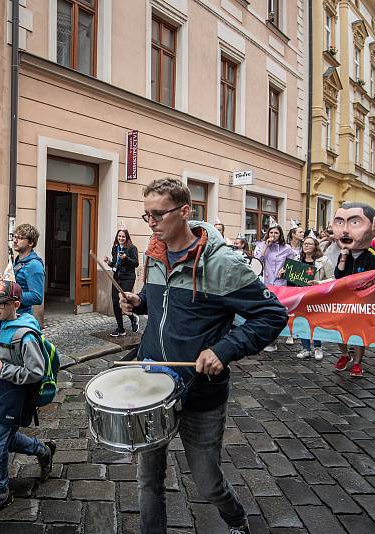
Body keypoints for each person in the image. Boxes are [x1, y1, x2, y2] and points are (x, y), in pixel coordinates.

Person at [119, 177, 287, 534]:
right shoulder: (154, 252)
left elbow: (272, 315)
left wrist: (224, 350)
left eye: (158, 215)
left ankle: (236, 518)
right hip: (151, 384)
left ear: (185, 211)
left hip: (200, 392)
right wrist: (140, 302)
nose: (151, 223)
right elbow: (162, 303)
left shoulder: (223, 264)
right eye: (146, 215)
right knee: (147, 481)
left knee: (208, 482)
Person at [0, 280, 56, 518]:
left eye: (1, 305)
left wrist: (1, 371)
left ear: (16, 304)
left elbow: (35, 372)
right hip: (1, 390)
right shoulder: (1, 325)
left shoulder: (25, 335)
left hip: (17, 397)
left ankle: (0, 492)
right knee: (7, 440)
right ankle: (43, 451)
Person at [333, 203, 375, 378]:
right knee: (338, 331)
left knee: (359, 333)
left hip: (361, 303)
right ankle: (345, 354)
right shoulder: (342, 254)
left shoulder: (371, 257)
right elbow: (338, 275)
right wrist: (344, 257)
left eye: (354, 223)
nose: (345, 230)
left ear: (373, 226)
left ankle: (357, 363)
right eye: (340, 223)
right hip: (343, 301)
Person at [254, 225, 296, 352]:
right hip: (267, 283)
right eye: (271, 232)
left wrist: (285, 269)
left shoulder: (287, 248)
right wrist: (266, 246)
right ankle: (270, 340)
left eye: (276, 233)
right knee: (268, 311)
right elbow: (257, 261)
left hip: (281, 284)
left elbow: (293, 264)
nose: (273, 235)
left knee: (280, 311)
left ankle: (285, 335)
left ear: (280, 234)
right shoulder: (262, 245)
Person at [294, 236, 330, 361]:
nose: (306, 245)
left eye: (310, 244)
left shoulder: (323, 260)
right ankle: (305, 348)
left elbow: (333, 278)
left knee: (315, 321)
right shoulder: (297, 260)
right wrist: (284, 272)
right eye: (305, 243)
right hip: (301, 296)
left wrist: (319, 283)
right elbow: (292, 277)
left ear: (315, 246)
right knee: (302, 321)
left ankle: (317, 347)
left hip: (317, 296)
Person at [103, 228, 139, 337]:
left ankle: (133, 317)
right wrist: (109, 262)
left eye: (123, 236)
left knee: (124, 300)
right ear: (117, 237)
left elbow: (136, 263)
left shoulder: (132, 248)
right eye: (119, 236)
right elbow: (115, 264)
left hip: (128, 277)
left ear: (127, 238)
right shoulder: (115, 248)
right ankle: (121, 329)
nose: (121, 238)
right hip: (117, 277)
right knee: (115, 302)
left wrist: (126, 258)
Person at [11, 224, 45, 316]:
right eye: (14, 237)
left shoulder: (34, 265)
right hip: (11, 314)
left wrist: (10, 294)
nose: (15, 241)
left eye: (20, 238)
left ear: (31, 243)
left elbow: (37, 297)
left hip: (22, 317)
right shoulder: (18, 261)